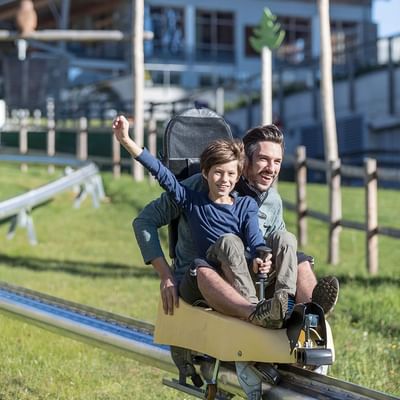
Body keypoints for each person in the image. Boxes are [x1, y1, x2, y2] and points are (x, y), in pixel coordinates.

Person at [132, 122, 339, 329]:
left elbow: (272, 247)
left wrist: (266, 259)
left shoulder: (271, 200)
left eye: (277, 162)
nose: (272, 168)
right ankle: (255, 313)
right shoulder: (200, 187)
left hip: (251, 277)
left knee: (297, 257)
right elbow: (144, 221)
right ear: (244, 160)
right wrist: (165, 275)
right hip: (203, 277)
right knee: (209, 264)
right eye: (263, 159)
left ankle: (311, 315)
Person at [112, 115, 293, 327]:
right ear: (205, 173)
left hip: (239, 272)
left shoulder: (246, 206)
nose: (224, 180)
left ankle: (287, 305)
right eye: (218, 173)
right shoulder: (191, 200)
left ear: (238, 176)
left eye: (230, 174)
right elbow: (160, 172)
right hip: (209, 269)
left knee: (283, 239)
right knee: (230, 241)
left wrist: (261, 255)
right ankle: (255, 312)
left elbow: (254, 237)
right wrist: (126, 140)